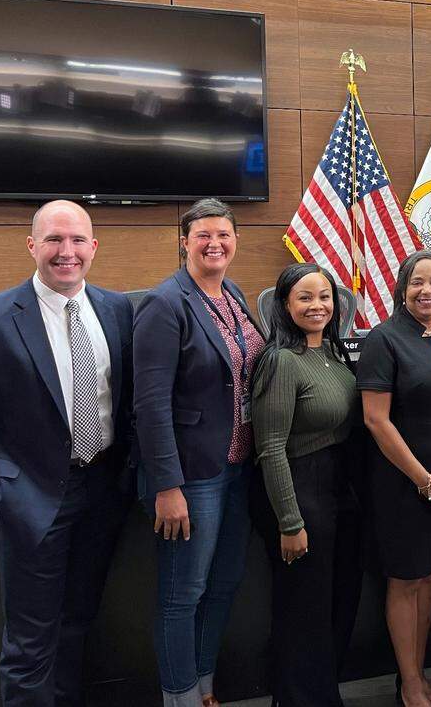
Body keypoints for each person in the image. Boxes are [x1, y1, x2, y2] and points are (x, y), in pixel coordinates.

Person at [0, 200, 133, 707]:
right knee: (29, 646)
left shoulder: (118, 309)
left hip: (102, 497)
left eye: (78, 240)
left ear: (94, 247)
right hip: (30, 503)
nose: (67, 252)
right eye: (55, 240)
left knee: (77, 626)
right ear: (32, 245)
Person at [133, 198, 266, 707]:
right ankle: (180, 697)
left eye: (224, 235)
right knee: (180, 596)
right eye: (203, 235)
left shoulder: (230, 292)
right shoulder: (164, 304)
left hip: (236, 468)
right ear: (184, 241)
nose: (215, 244)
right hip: (191, 477)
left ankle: (205, 688)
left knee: (224, 584)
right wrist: (168, 486)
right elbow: (150, 405)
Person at [356, 250, 431, 707]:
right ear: (402, 290)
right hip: (402, 487)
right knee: (406, 580)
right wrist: (423, 479)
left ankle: (421, 676)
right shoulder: (384, 340)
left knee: (430, 578)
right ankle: (409, 686)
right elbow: (376, 420)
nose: (426, 290)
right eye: (416, 283)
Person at [250, 263, 362, 707]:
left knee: (338, 602)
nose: (318, 306)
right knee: (305, 612)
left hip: (338, 490)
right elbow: (271, 447)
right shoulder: (280, 361)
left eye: (325, 297)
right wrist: (290, 521)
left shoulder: (333, 355)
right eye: (305, 298)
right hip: (301, 490)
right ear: (284, 305)